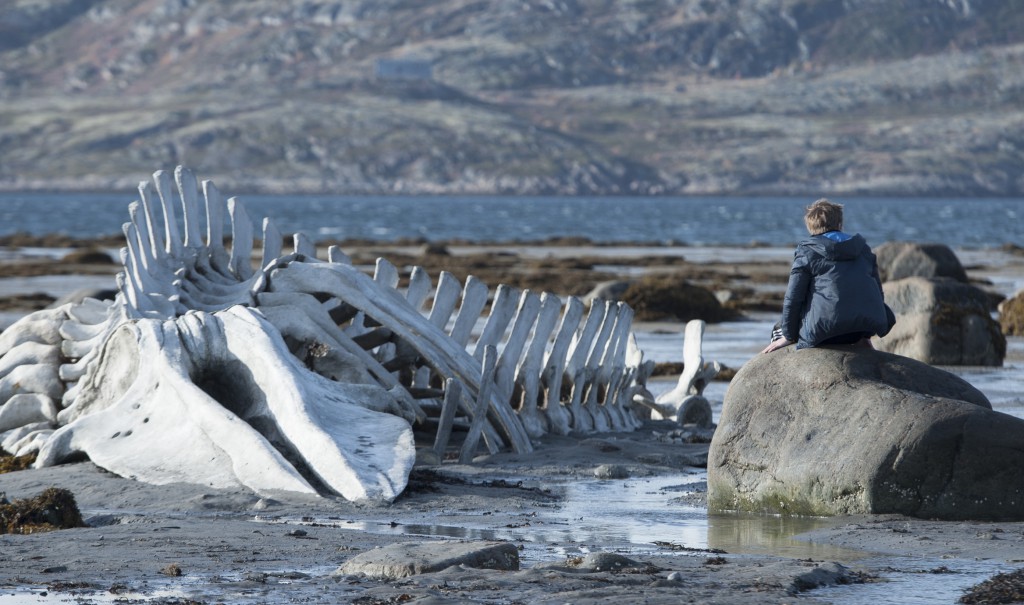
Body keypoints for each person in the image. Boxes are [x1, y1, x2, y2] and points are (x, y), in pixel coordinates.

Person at [762, 199, 895, 354]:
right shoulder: (863, 249)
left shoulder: (808, 251)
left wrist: (789, 336)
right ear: (840, 224)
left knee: (778, 329)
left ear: (811, 227)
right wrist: (866, 335)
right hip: (862, 330)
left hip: (826, 333)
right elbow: (877, 293)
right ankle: (864, 341)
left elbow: (793, 298)